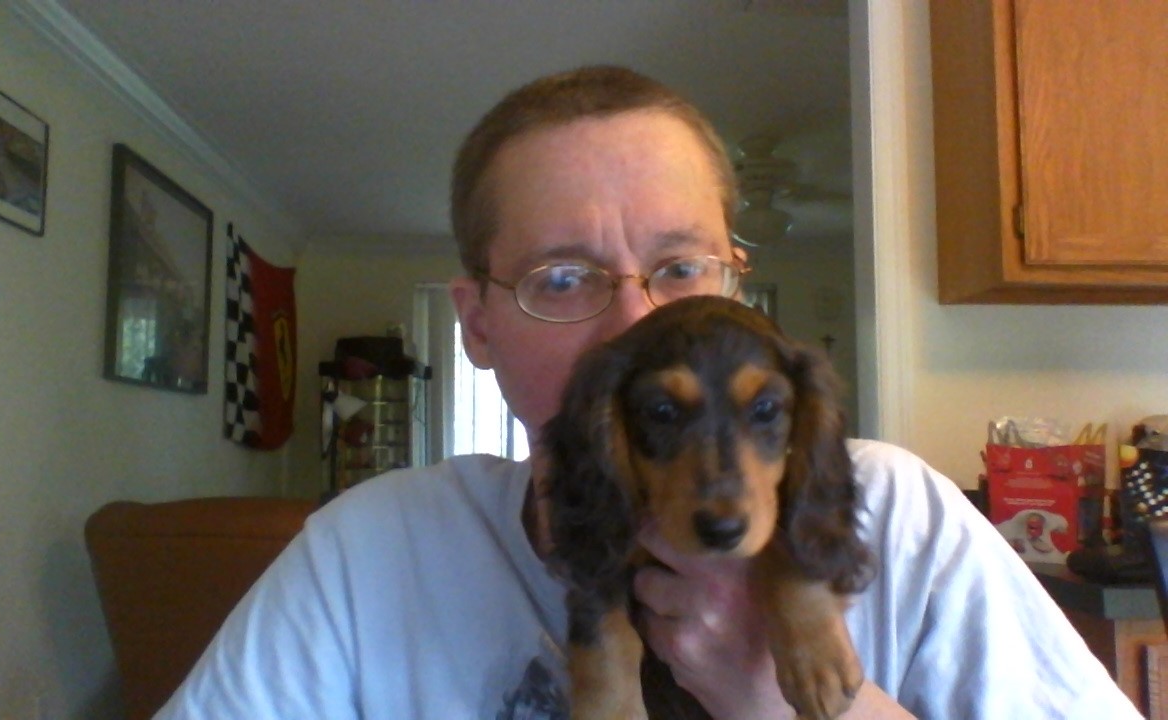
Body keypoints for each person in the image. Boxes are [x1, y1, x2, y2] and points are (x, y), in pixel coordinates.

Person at [155, 66, 1139, 719]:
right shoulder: (368, 551)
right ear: (475, 322)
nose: (636, 329)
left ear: (736, 292)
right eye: (561, 279)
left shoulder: (908, 523)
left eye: (679, 267)